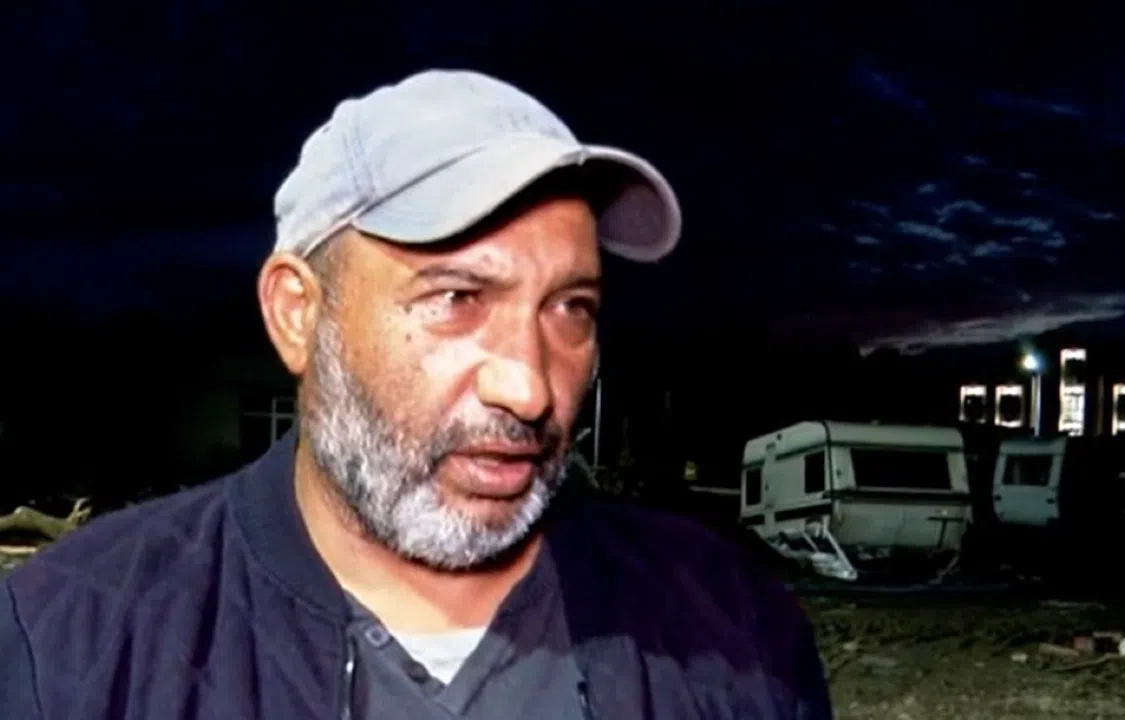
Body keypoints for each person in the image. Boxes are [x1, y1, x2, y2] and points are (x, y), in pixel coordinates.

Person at [0, 69, 831, 719]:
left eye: (571, 308)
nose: (529, 386)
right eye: (457, 298)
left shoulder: (733, 628)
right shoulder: (65, 646)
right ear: (297, 314)